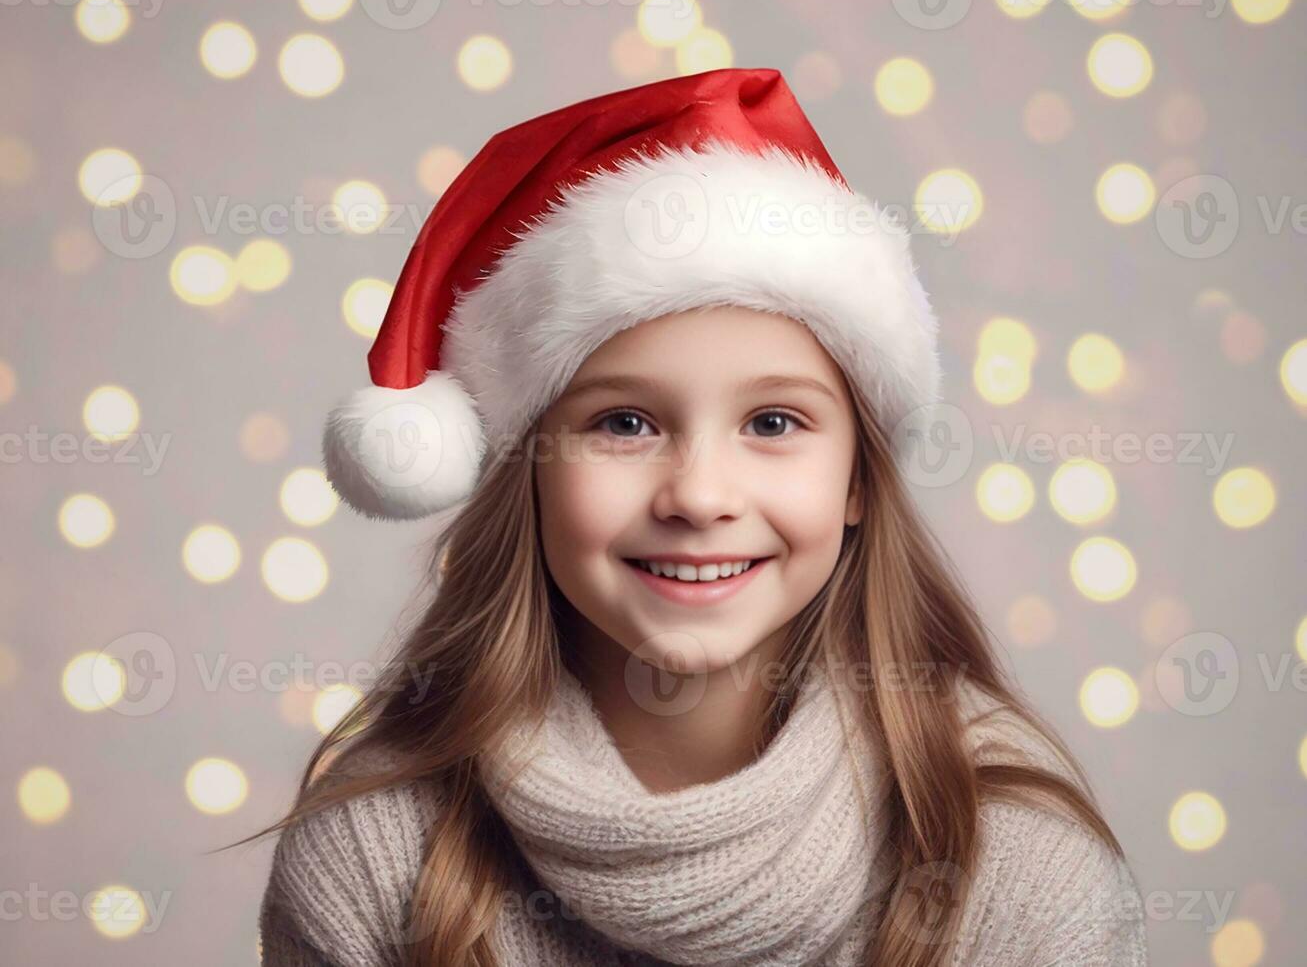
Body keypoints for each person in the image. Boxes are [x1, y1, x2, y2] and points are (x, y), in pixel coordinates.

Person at [229, 67, 1149, 966]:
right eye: (623, 423)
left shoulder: (1016, 863)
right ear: (529, 472)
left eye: (773, 422)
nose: (700, 497)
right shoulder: (375, 861)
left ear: (857, 477)